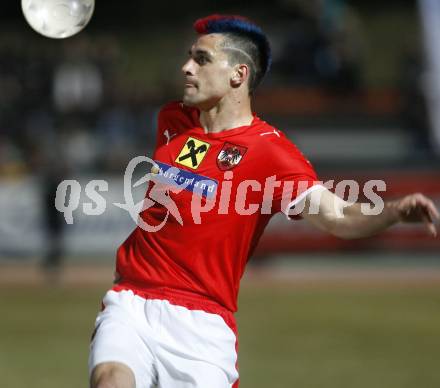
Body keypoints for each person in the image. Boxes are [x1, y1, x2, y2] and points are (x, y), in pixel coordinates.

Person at [89, 14, 439, 388]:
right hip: (132, 299)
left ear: (238, 75)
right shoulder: (173, 119)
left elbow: (336, 214)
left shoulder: (270, 152)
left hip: (203, 324)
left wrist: (392, 211)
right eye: (190, 56)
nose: (186, 67)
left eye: (202, 59)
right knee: (110, 379)